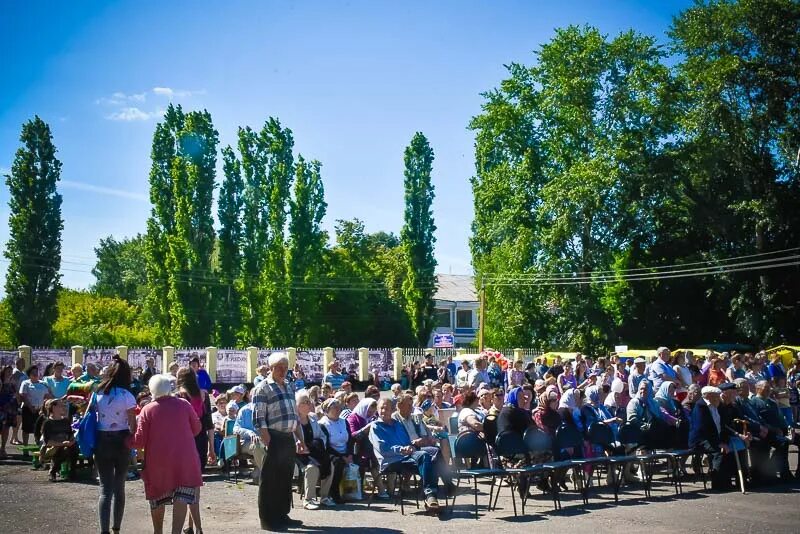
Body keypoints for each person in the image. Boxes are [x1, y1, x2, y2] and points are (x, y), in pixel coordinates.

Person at [134, 375, 203, 534]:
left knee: (158, 497)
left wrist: (126, 440)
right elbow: (197, 428)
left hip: (158, 462)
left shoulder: (148, 409)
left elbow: (139, 440)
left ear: (152, 390)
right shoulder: (184, 404)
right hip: (185, 459)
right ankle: (176, 532)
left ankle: (158, 532)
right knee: (182, 497)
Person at [252, 352, 306, 531]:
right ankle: (267, 520)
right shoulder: (263, 388)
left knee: (284, 479)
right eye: (279, 367)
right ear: (270, 368)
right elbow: (259, 420)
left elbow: (295, 417)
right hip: (273, 438)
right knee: (269, 481)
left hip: (288, 438)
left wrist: (300, 439)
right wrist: (268, 442)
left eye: (285, 367)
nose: (283, 371)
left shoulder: (289, 387)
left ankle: (282, 515)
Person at [369, 398, 440, 512]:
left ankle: (430, 493)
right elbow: (383, 448)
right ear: (377, 410)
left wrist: (412, 445)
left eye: (386, 408)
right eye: (381, 408)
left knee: (434, 453)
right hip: (391, 462)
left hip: (406, 457)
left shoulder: (397, 424)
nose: (383, 411)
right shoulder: (376, 426)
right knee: (424, 456)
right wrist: (401, 449)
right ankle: (430, 494)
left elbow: (406, 442)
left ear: (392, 410)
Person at [94, 357, 138, 534]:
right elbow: (132, 424)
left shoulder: (98, 392)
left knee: (105, 490)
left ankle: (104, 530)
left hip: (102, 440)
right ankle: (116, 528)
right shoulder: (127, 396)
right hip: (121, 441)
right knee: (119, 488)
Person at [688, 386, 736, 491]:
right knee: (718, 452)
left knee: (729, 449)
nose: (719, 398)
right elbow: (703, 429)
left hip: (715, 438)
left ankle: (726, 481)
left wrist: (724, 440)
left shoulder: (718, 406)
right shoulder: (700, 407)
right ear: (709, 396)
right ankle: (718, 484)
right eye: (716, 396)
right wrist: (718, 443)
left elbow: (723, 425)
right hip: (701, 440)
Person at [295, 390, 335, 509]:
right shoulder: (293, 420)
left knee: (330, 465)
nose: (308, 404)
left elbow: (321, 436)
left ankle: (324, 497)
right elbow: (292, 439)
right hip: (299, 453)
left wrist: (314, 444)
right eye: (305, 402)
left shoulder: (312, 417)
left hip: (314, 450)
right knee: (312, 468)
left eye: (309, 401)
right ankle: (309, 499)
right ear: (297, 405)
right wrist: (300, 445)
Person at [749, 380, 792, 481]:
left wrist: (789, 428)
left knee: (792, 439)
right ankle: (779, 471)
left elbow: (781, 418)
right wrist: (774, 429)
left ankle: (787, 471)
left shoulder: (772, 402)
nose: (769, 390)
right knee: (783, 443)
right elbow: (758, 420)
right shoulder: (754, 402)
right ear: (758, 389)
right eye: (766, 388)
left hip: (778, 430)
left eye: (769, 388)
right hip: (765, 432)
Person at [346, 397, 388, 499]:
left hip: (369, 449)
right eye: (369, 410)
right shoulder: (353, 417)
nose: (371, 413)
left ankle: (382, 490)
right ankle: (377, 490)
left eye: (373, 411)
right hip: (356, 449)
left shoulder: (372, 418)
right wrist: (366, 428)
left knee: (377, 459)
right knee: (369, 460)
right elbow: (353, 435)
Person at [319, 398, 351, 503]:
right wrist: (342, 456)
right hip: (330, 452)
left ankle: (353, 492)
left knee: (359, 461)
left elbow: (350, 439)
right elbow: (326, 446)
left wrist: (349, 454)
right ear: (327, 410)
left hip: (345, 452)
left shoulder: (344, 422)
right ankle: (334, 493)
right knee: (338, 463)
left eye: (339, 408)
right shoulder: (323, 424)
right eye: (335, 408)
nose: (338, 410)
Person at [40, 398, 78, 482]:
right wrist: (62, 443)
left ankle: (73, 471)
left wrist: (72, 441)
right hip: (52, 448)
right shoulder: (47, 423)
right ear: (53, 408)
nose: (63, 407)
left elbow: (70, 434)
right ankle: (53, 471)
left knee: (74, 446)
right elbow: (47, 441)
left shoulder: (65, 421)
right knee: (65, 449)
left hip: (66, 445)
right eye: (61, 406)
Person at [18, 365, 50, 445]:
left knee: (39, 429)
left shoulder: (43, 384)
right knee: (26, 429)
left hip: (40, 410)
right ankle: (25, 447)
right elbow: (23, 396)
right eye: (33, 373)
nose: (35, 374)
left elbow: (47, 396)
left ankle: (38, 446)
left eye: (37, 372)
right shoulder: (25, 383)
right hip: (28, 409)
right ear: (29, 374)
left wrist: (43, 407)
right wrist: (30, 407)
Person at [0, 365, 20, 458]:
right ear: (3, 371)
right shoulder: (1, 382)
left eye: (10, 371)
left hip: (10, 410)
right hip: (1, 409)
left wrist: (18, 406)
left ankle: (3, 448)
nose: (9, 373)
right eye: (8, 371)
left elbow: (16, 395)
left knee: (6, 429)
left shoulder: (13, 383)